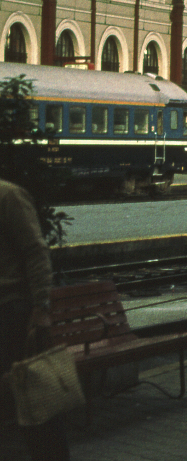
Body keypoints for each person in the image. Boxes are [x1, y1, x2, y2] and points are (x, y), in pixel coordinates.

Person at [0, 178, 70, 461]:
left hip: (12, 310)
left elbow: (35, 250)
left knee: (35, 403)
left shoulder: (9, 197)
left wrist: (41, 307)